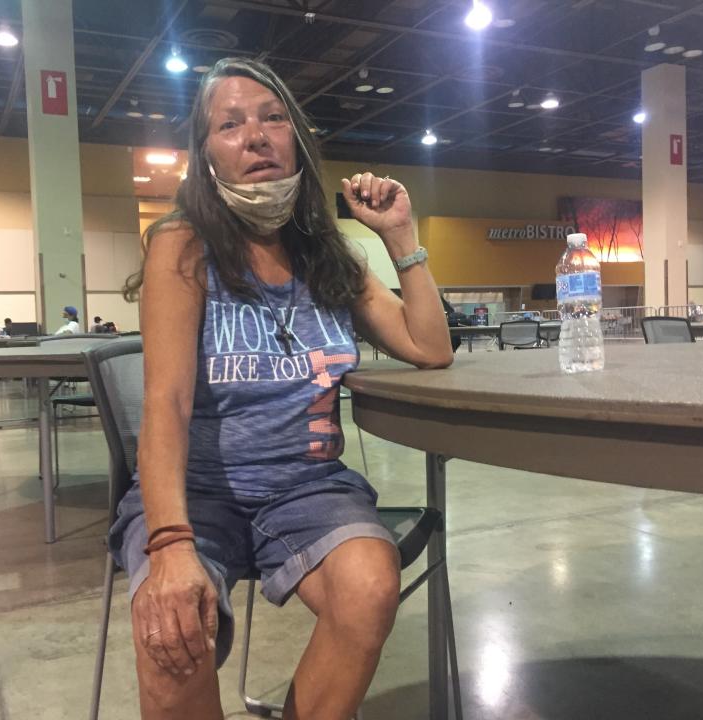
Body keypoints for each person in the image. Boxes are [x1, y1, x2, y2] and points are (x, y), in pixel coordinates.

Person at [115, 57, 452, 720]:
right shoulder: (182, 247)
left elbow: (429, 346)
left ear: (297, 139)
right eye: (230, 124)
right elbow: (166, 405)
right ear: (205, 155)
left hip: (307, 487)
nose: (257, 135)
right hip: (201, 490)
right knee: (171, 634)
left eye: (273, 118)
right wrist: (171, 546)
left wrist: (400, 236)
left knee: (371, 586)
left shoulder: (325, 253)